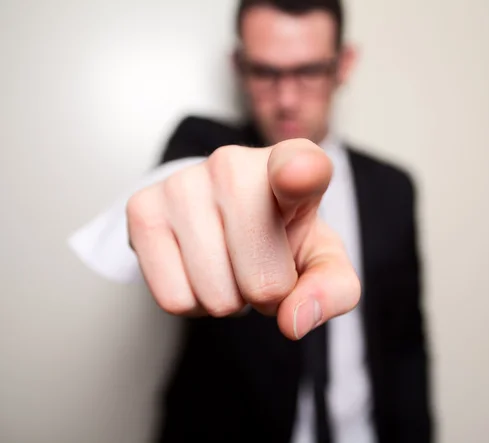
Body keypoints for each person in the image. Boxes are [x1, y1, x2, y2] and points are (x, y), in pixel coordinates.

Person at [69, 0, 434, 442]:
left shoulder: (394, 188)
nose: (286, 99)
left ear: (344, 65)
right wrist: (183, 201)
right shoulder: (203, 142)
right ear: (238, 66)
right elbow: (173, 188)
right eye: (265, 72)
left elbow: (406, 345)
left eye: (309, 71)